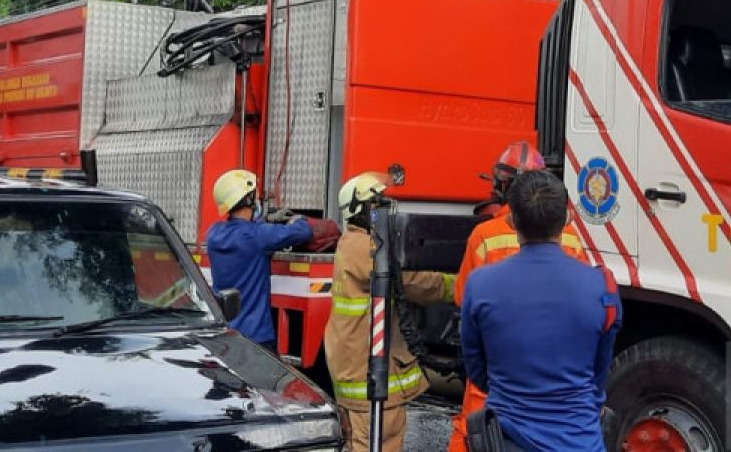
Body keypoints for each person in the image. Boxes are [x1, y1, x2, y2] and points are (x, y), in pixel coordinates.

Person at [461, 169, 622, 452]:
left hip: (507, 439)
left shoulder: (480, 285)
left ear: (511, 220)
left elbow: (476, 368)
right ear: (567, 219)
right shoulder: (602, 288)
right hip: (580, 441)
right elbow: (600, 369)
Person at [448, 141, 588, 452]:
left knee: (473, 433)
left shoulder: (485, 236)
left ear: (507, 186)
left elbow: (463, 300)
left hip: (496, 368)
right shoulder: (572, 240)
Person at [324, 172, 455, 452]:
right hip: (369, 373)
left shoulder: (355, 243)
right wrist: (455, 284)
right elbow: (410, 281)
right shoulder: (366, 248)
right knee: (380, 441)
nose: (386, 208)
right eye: (378, 202)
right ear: (361, 210)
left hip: (356, 365)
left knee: (361, 442)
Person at [205, 169, 313, 355]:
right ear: (248, 200)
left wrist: (266, 220)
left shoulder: (214, 234)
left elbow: (245, 230)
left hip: (226, 333)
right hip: (257, 337)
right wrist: (297, 219)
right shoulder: (258, 236)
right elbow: (304, 232)